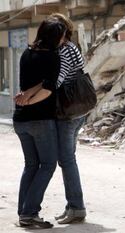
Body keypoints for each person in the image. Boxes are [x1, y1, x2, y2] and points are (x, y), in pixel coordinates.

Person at [15, 13, 87, 224]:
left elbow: (52, 84)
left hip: (68, 112)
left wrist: (27, 97)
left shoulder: (61, 52)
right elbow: (49, 82)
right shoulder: (56, 52)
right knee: (54, 162)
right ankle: (32, 212)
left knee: (63, 159)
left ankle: (75, 207)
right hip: (53, 114)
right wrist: (30, 94)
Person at [13, 18, 66, 229]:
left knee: (31, 165)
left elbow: (38, 84)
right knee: (48, 165)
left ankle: (23, 212)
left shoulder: (27, 53)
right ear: (55, 37)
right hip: (40, 120)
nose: (63, 39)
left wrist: (25, 98)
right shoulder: (53, 57)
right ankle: (29, 212)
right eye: (61, 35)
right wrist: (29, 100)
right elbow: (47, 89)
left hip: (20, 121)